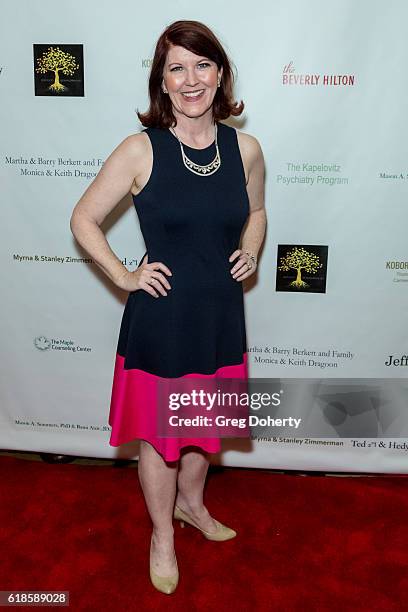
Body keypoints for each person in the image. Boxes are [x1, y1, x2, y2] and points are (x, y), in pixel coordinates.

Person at [70, 19, 266, 595]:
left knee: (204, 430)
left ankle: (194, 508)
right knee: (160, 437)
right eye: (176, 67)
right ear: (162, 80)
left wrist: (250, 251)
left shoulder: (245, 148)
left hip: (219, 317)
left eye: (201, 64)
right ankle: (162, 534)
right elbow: (83, 219)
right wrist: (125, 275)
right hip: (163, 319)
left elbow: (255, 214)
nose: (190, 79)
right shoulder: (140, 149)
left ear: (220, 72)